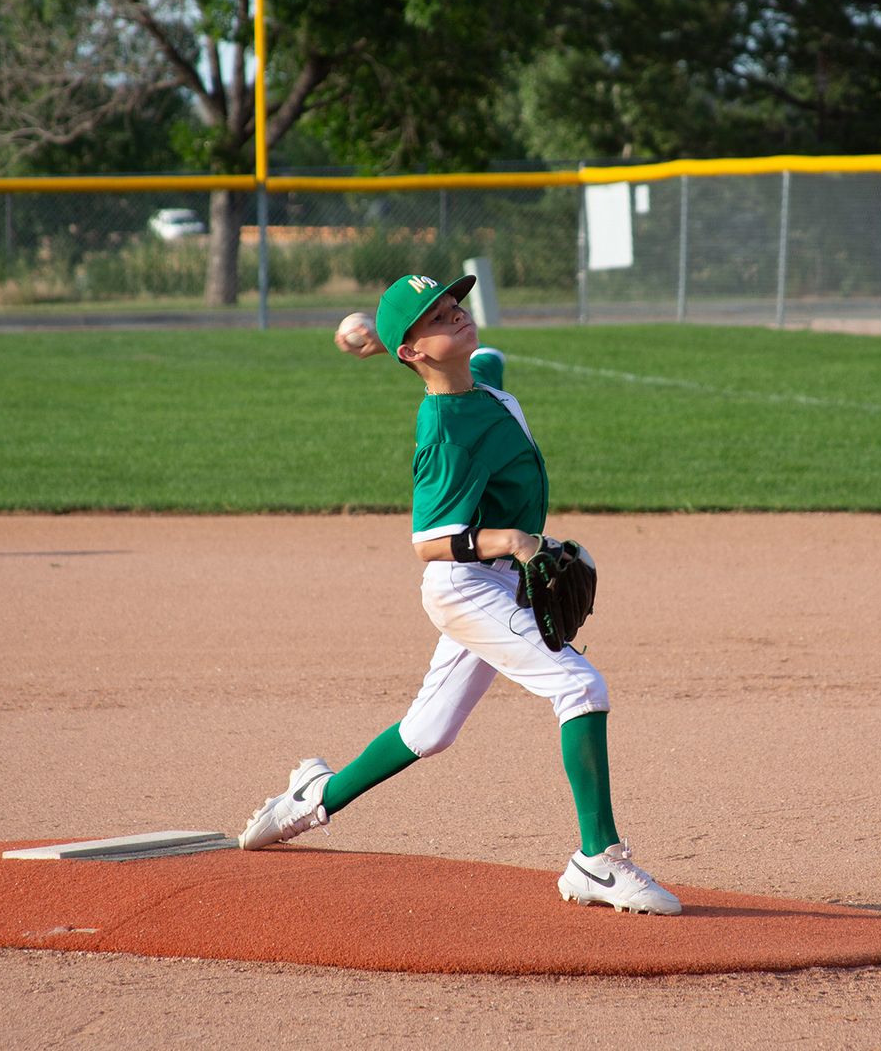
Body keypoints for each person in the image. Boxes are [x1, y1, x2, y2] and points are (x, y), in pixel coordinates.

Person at [238, 272, 682, 916]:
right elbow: (430, 540)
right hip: (467, 585)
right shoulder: (444, 433)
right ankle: (599, 860)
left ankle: (312, 797)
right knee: (580, 687)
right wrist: (518, 541)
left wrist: (390, 338)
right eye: (437, 319)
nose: (456, 317)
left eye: (453, 306)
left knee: (429, 731)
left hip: (490, 577)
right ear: (414, 353)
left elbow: (484, 360)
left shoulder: (484, 386)